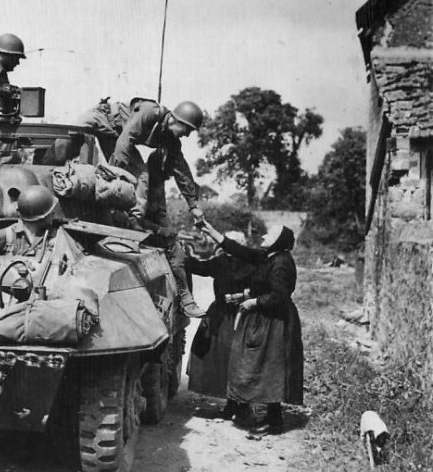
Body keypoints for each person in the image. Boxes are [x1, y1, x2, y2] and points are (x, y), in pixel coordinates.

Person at [199, 221, 304, 435]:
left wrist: (252, 302)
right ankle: (253, 411)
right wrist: (211, 231)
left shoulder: (282, 263)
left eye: (269, 234)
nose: (264, 236)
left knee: (270, 368)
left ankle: (273, 421)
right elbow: (239, 250)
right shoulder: (268, 257)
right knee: (258, 365)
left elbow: (279, 295)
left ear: (279, 241)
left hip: (276, 322)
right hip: (264, 319)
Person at [110, 99, 207, 317]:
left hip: (144, 230)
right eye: (187, 129)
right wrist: (114, 175)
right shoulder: (140, 183)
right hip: (128, 225)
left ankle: (186, 299)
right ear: (175, 119)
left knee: (175, 247)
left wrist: (194, 206)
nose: (187, 135)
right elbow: (124, 142)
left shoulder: (158, 184)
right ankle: (186, 299)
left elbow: (182, 173)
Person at [185, 231, 256, 420]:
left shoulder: (251, 263)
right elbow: (198, 267)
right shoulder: (221, 261)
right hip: (222, 315)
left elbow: (262, 287)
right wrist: (179, 253)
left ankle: (243, 404)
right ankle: (231, 403)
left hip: (242, 315)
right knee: (221, 357)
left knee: (240, 359)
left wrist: (242, 297)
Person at [0, 185, 59, 256]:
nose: (54, 214)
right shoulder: (4, 236)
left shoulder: (58, 237)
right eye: (50, 212)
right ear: (41, 217)